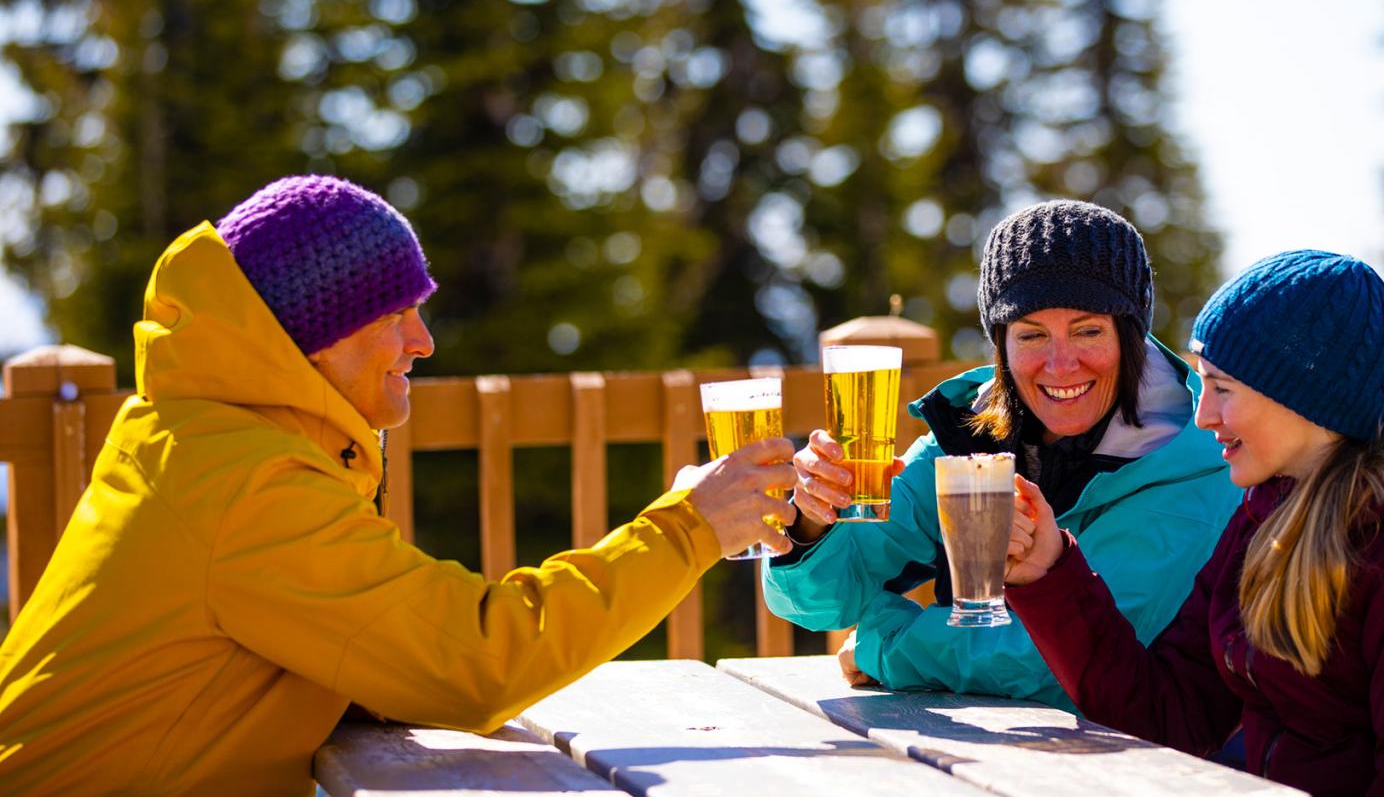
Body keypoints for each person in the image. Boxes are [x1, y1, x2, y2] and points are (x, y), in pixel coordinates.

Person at [0, 175, 797, 796]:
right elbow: (477, 661)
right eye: (393, 315)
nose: (423, 341)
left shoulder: (200, 437)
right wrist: (689, 527)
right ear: (310, 335)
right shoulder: (248, 482)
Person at [1004, 250, 1384, 795]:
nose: (1203, 415)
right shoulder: (1263, 522)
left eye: (1223, 388)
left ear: (1305, 395)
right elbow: (1169, 714)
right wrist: (1049, 571)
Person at [763, 199, 1240, 706]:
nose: (1060, 364)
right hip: (981, 747)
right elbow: (822, 602)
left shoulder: (1191, 464)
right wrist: (812, 522)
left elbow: (1054, 661)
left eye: (1088, 331)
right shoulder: (971, 434)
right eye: (1031, 334)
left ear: (1132, 335)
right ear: (1001, 343)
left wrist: (887, 642)